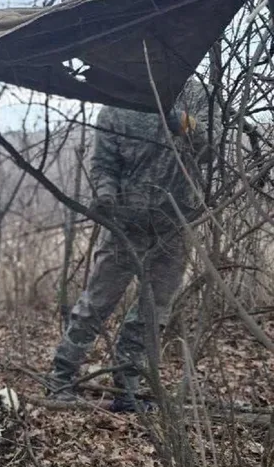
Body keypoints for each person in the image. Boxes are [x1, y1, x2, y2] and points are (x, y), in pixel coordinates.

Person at [46, 76, 221, 412]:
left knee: (151, 313)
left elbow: (212, 150)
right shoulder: (117, 101)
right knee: (96, 303)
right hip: (126, 223)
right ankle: (61, 380)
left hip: (175, 223)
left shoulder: (196, 94)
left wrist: (184, 123)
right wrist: (107, 196)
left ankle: (127, 391)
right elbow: (104, 165)